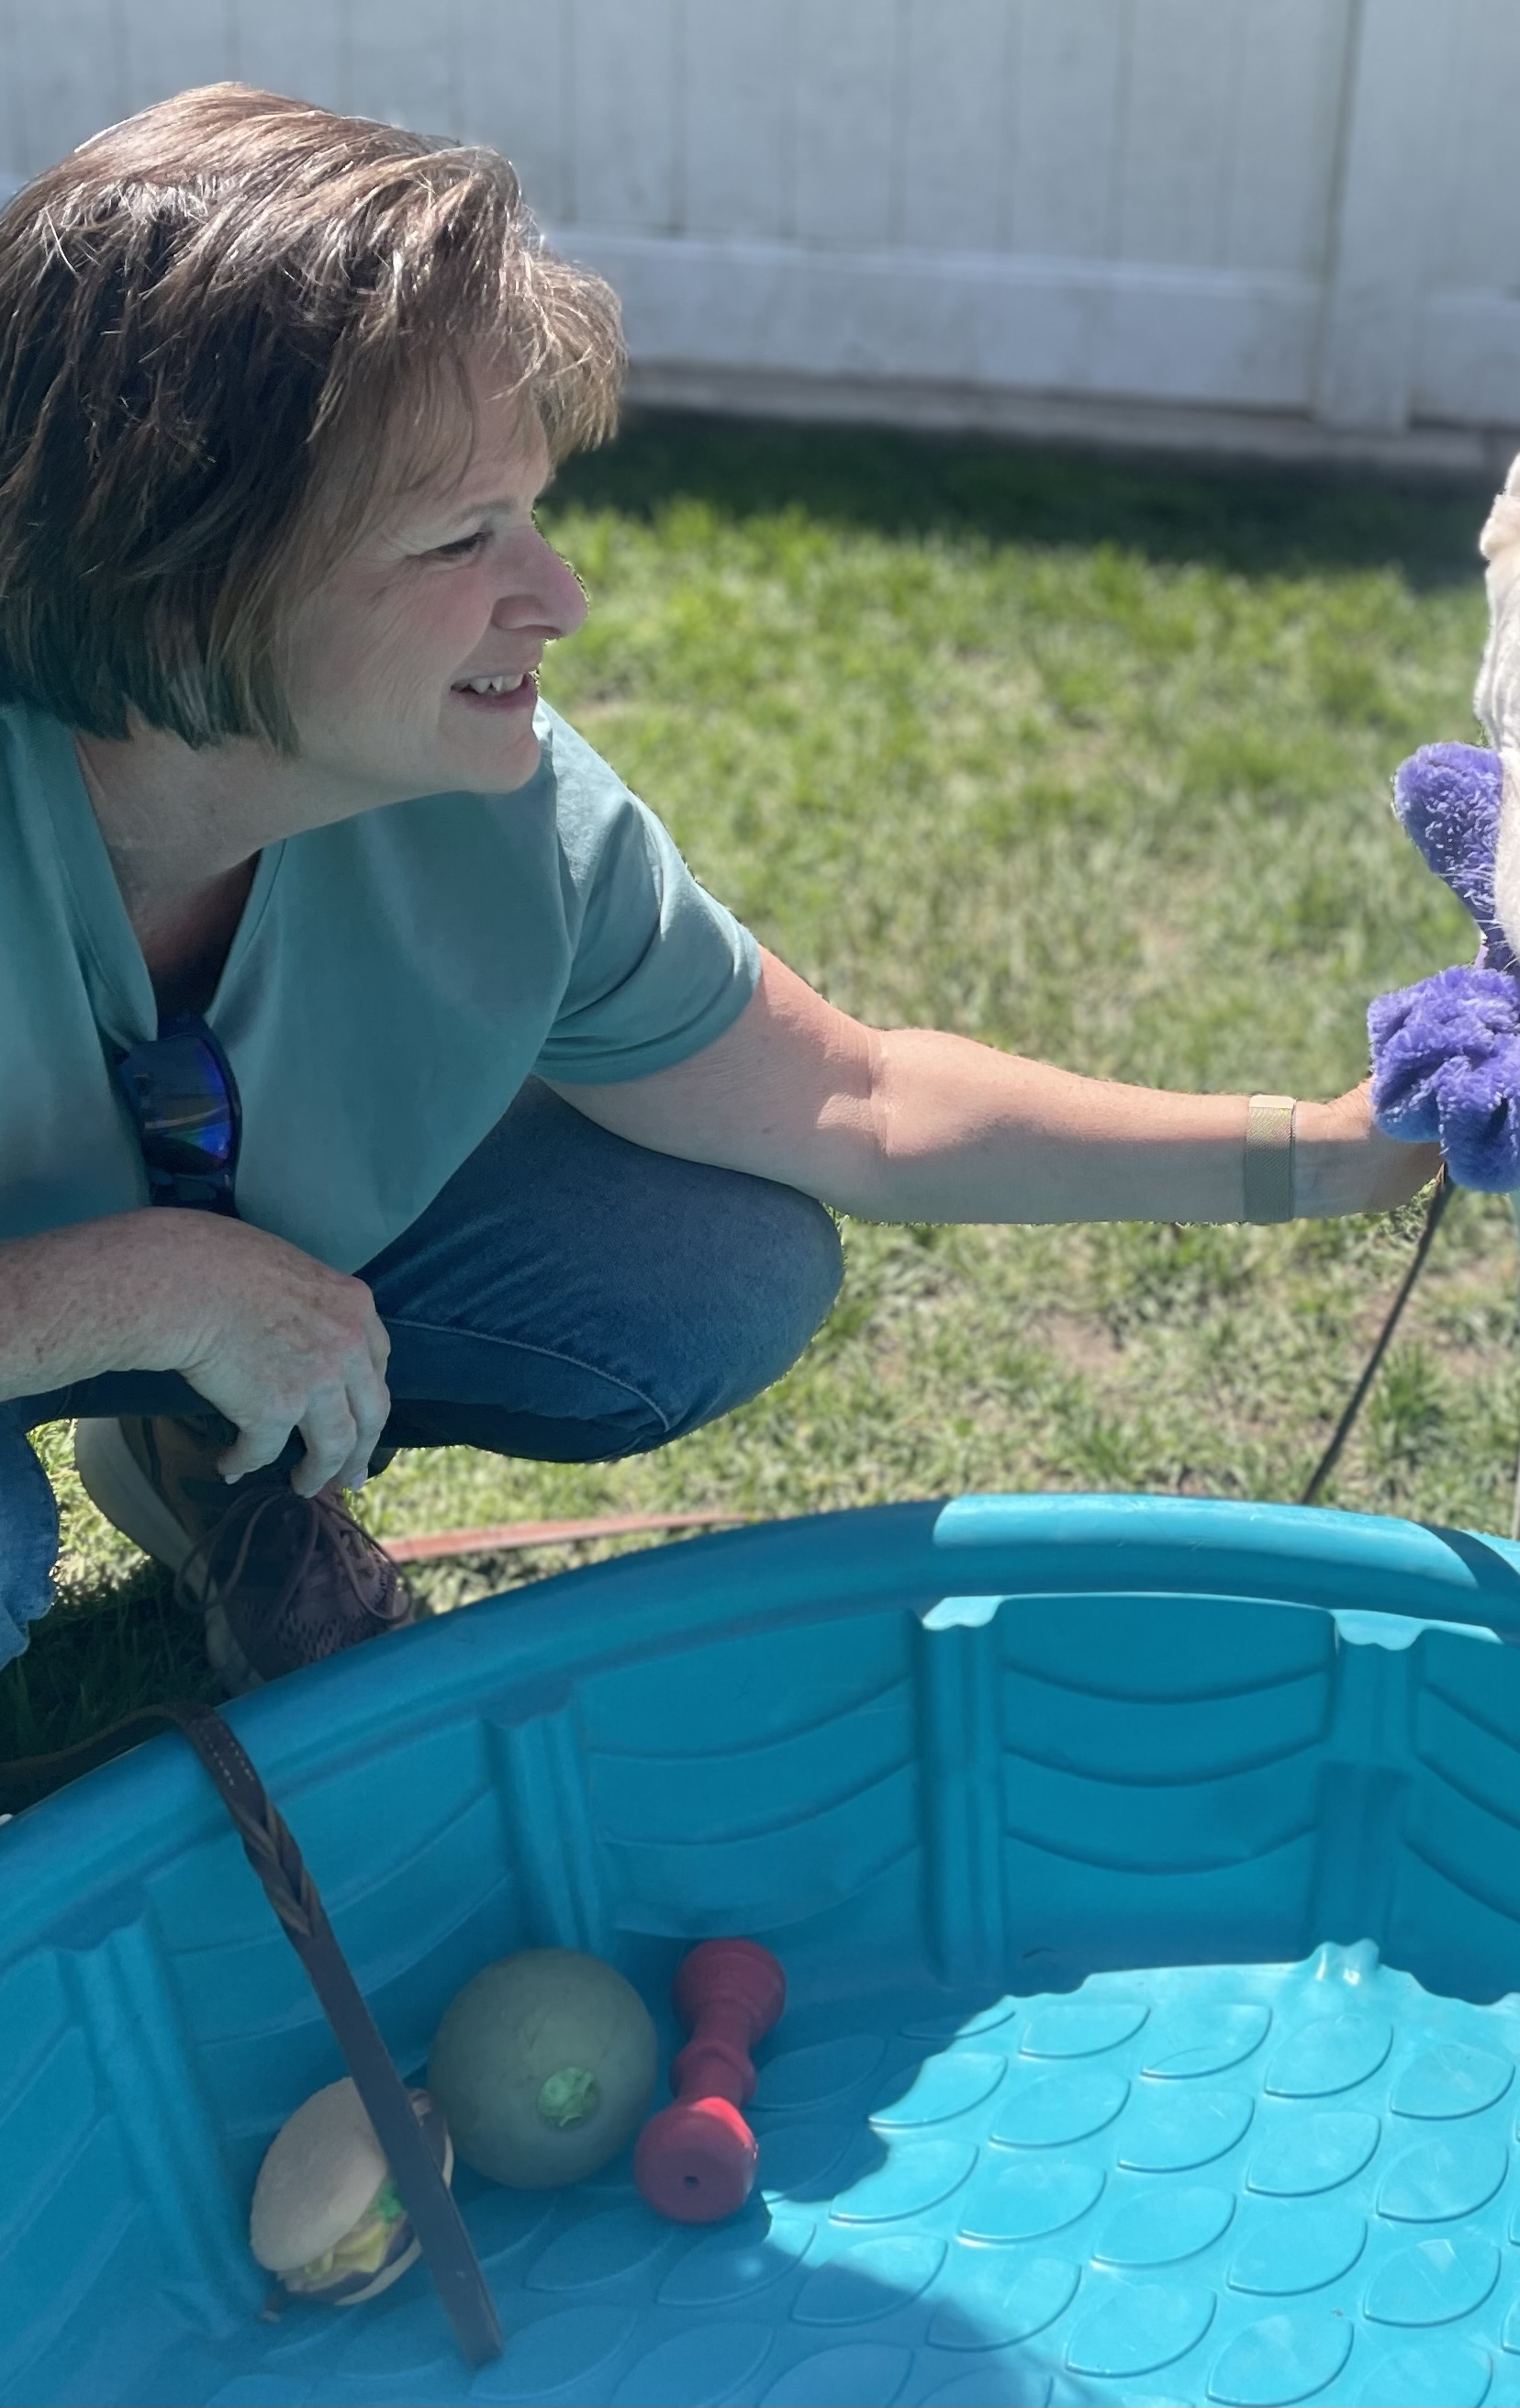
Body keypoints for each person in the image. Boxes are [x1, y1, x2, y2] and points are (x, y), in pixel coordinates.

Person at [0, 86, 1435, 1694]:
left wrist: (1331, 1153)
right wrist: (144, 1286)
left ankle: (200, 1457)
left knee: (708, 1270)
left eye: (531, 515)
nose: (559, 598)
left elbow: (861, 1100)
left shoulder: (507, 819)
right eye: (464, 537)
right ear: (186, 579)